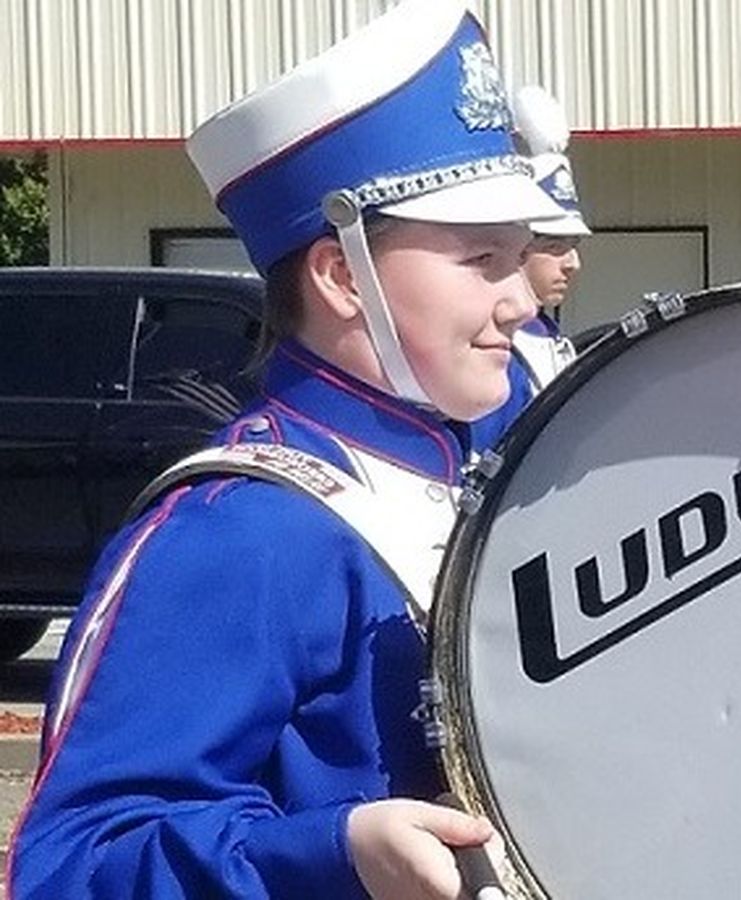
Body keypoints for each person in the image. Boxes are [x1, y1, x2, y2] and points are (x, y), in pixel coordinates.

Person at [7, 2, 562, 898]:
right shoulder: (239, 533)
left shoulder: (501, 454)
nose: (522, 302)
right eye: (481, 261)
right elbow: (71, 866)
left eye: (520, 258)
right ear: (343, 277)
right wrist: (337, 852)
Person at [469, 86, 593, 452]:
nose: (573, 264)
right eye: (555, 247)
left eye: (573, 247)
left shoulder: (542, 333)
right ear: (516, 250)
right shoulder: (494, 346)